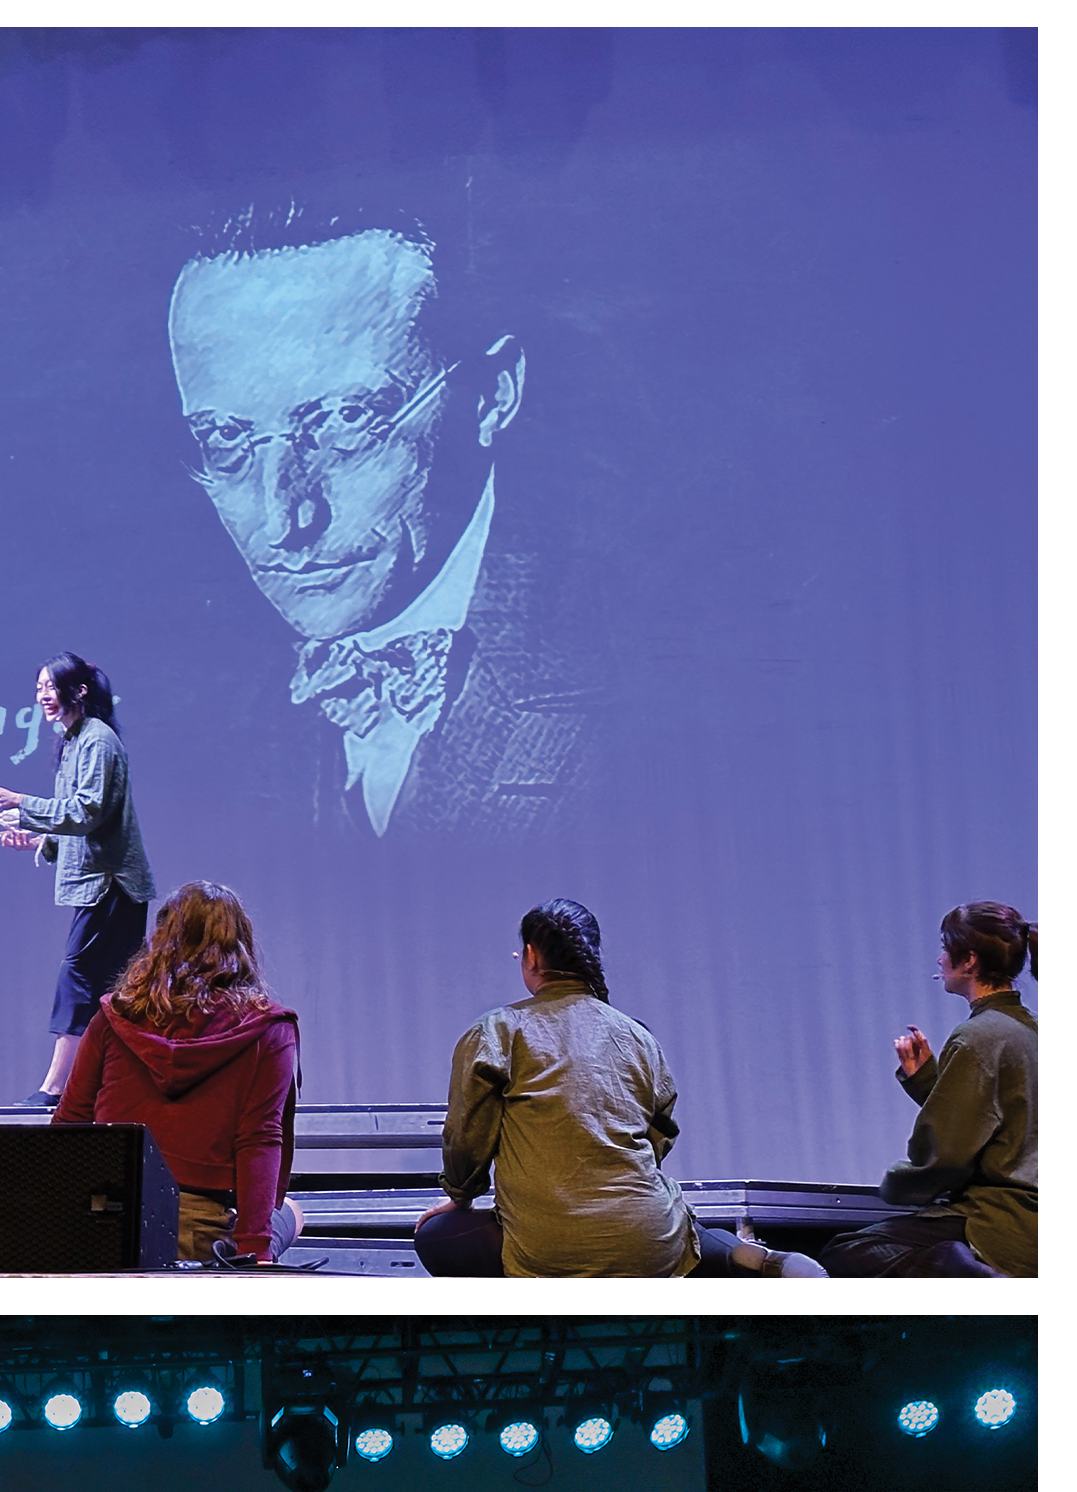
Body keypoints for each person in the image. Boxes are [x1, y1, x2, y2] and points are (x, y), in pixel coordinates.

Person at [167, 207, 590, 844]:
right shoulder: (209, 714)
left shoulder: (643, 667)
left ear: (491, 395)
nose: (284, 521)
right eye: (226, 437)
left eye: (345, 420)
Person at [420, 900, 778, 1277]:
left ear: (531, 955)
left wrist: (460, 1195)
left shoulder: (498, 1031)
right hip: (650, 1240)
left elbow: (468, 1135)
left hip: (550, 1246)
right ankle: (742, 1257)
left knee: (437, 1236)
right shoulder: (638, 1036)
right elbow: (660, 1135)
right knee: (669, 1222)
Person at [52, 880, 303, 1263]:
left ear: (160, 940)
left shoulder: (113, 1016)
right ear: (241, 943)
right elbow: (259, 1139)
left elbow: (71, 1121)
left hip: (105, 1225)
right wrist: (254, 1251)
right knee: (293, 1213)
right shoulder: (268, 1030)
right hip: (199, 1232)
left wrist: (58, 1226)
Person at [0, 653, 156, 1106]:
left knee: (78, 976)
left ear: (79, 691)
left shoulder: (97, 740)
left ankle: (55, 1087)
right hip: (101, 884)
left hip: (111, 884)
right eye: (38, 688)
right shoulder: (74, 741)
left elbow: (87, 812)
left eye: (50, 687)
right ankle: (121, 1087)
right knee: (118, 990)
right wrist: (37, 841)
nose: (42, 696)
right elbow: (79, 823)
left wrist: (22, 803)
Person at [825, 903, 1036, 1277]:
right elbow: (1005, 1126)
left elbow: (947, 1157)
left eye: (944, 948)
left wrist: (896, 1187)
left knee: (847, 1251)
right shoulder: (1030, 1031)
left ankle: (976, 1276)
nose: (940, 960)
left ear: (968, 960)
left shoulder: (978, 1037)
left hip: (1003, 1218)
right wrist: (928, 1082)